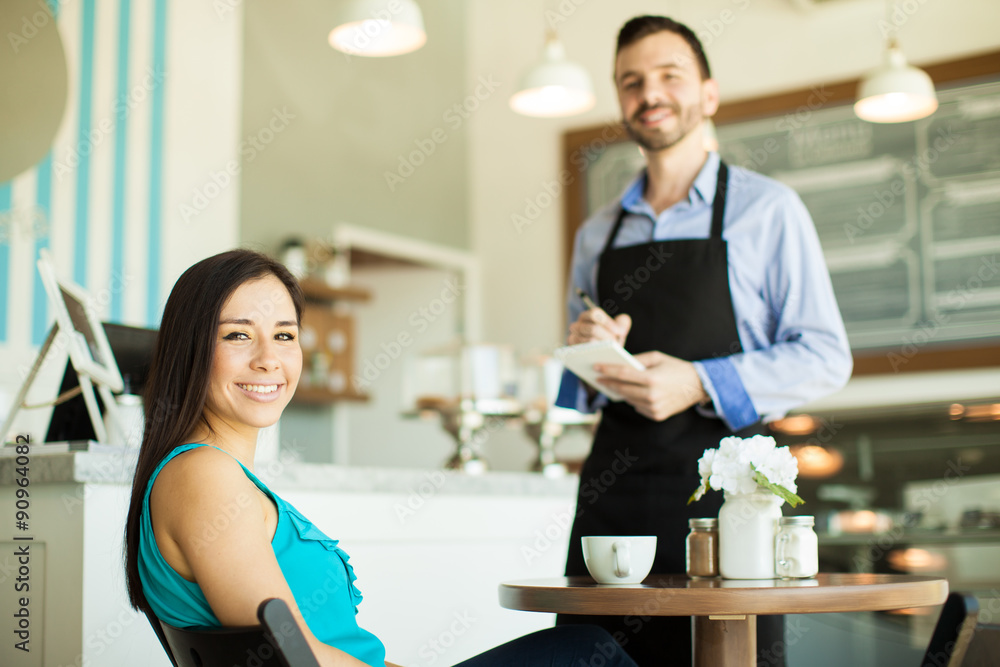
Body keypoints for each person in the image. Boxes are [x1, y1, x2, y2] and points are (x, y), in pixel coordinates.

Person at [123, 249, 638, 667]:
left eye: (284, 334)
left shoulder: (206, 474)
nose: (269, 358)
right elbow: (290, 658)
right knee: (587, 650)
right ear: (191, 348)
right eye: (238, 334)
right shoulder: (203, 475)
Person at [554, 15, 853, 667]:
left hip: (729, 501)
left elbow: (827, 353)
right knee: (589, 656)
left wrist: (696, 380)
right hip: (616, 489)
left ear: (708, 95)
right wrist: (586, 348)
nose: (649, 93)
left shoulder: (768, 211)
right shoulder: (597, 233)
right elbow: (579, 390)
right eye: (631, 81)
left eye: (669, 76)